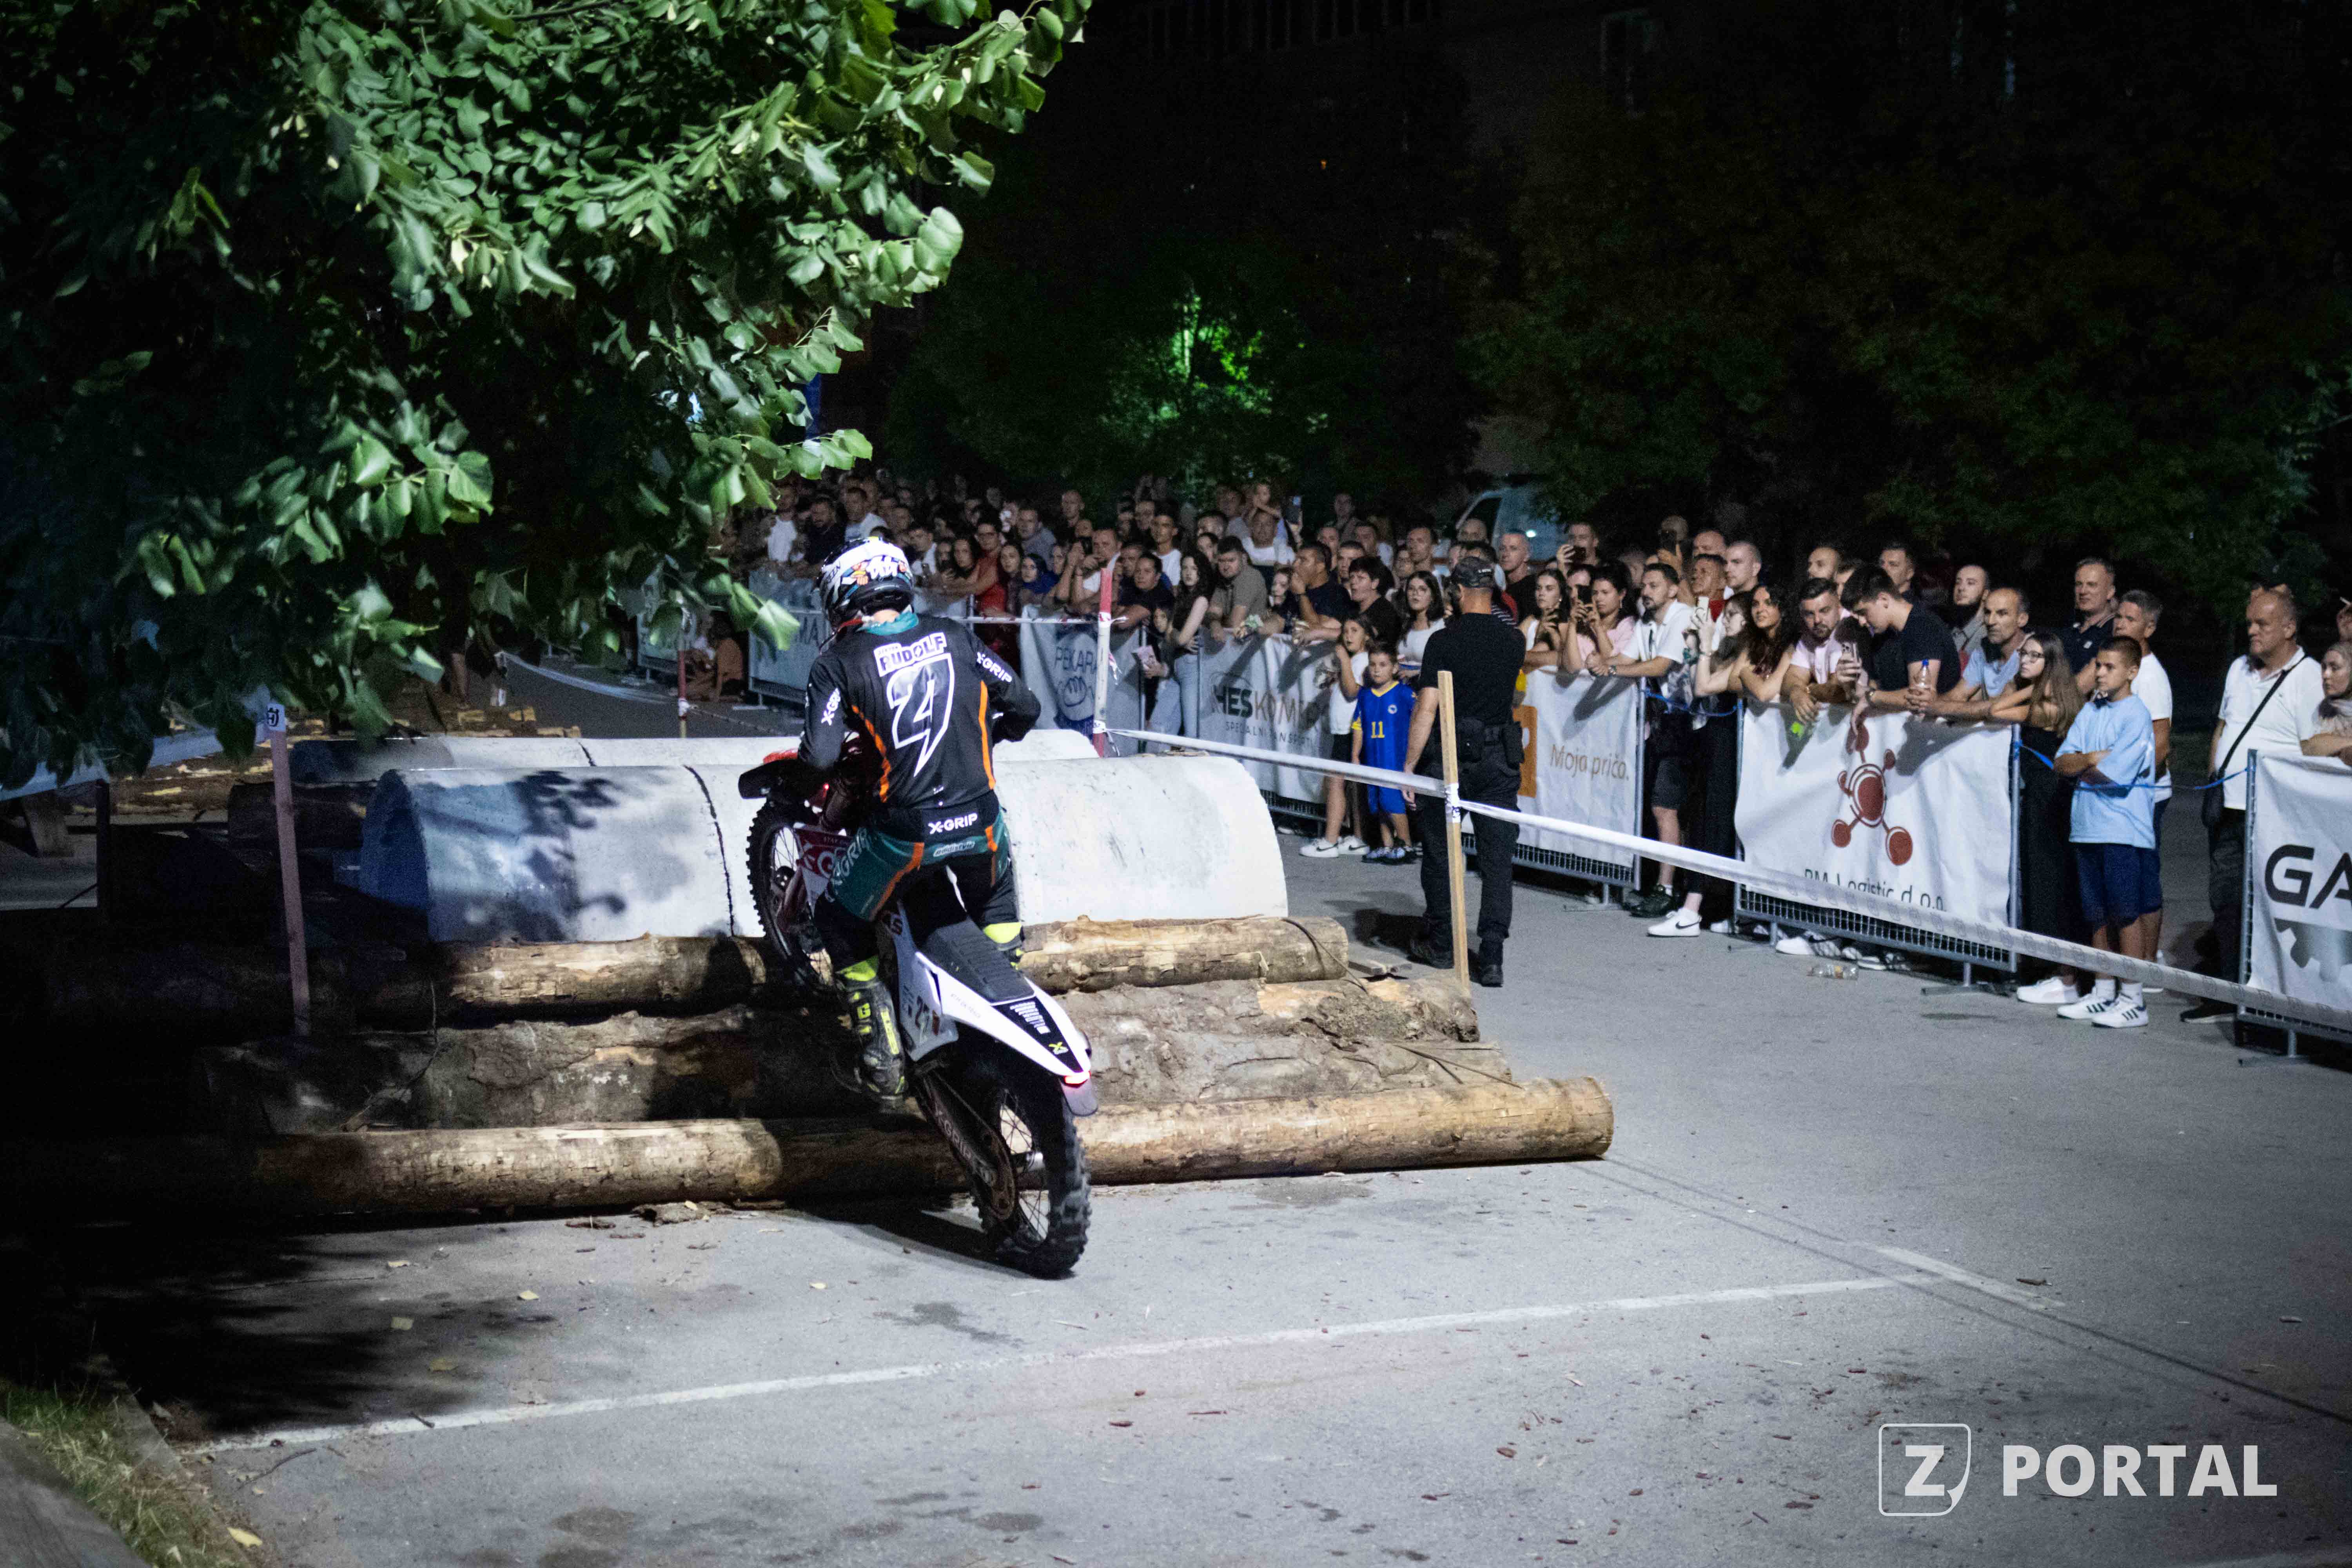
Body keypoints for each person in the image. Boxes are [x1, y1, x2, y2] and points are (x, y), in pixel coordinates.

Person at [795, 539, 1041, 1097]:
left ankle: (879, 1048)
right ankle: (1008, 997)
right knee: (997, 900)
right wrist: (992, 738)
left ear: (841, 598)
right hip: (981, 823)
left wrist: (808, 775)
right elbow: (1025, 706)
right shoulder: (956, 635)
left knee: (837, 918)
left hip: (905, 835)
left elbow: (820, 757)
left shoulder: (837, 663)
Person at [2185, 589, 2323, 1018]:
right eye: (2249, 623)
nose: (2252, 631)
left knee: (2266, 907)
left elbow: (2314, 749)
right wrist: (2215, 773)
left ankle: (2265, 997)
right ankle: (2228, 992)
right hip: (2227, 806)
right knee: (2226, 900)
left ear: (2289, 628)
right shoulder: (2238, 670)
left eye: (2262, 624)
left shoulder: (2309, 678)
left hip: (2273, 816)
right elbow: (2223, 726)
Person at [1400, 568, 1524, 987]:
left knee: (1440, 854)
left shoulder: (1443, 640)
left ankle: (1441, 944)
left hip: (1450, 757)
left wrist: (1409, 767)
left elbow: (1427, 707)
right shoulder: (1514, 640)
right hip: (1499, 758)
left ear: (1457, 591)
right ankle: (1492, 955)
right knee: (1497, 860)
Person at [2051, 637, 2160, 1029]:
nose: (2099, 673)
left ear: (2132, 671)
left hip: (2122, 831)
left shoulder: (2137, 715)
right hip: (2087, 827)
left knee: (2125, 914)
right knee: (2096, 915)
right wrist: (2091, 758)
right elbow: (2061, 762)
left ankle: (2133, 998)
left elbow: (2113, 775)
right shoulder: (2091, 710)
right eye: (2098, 665)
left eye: (2109, 667)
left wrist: (2085, 763)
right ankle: (2102, 990)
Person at [1994, 632, 2092, 1005]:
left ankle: (2064, 976)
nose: (2024, 660)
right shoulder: (2047, 697)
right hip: (2042, 798)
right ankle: (2051, 968)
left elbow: (1996, 711)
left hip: (2052, 800)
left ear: (2051, 663)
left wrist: (2027, 690)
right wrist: (2029, 686)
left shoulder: (2049, 707)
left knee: (2051, 884)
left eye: (2035, 656)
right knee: (2040, 881)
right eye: (2024, 654)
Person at [1608, 561, 1701, 920]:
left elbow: (1660, 666)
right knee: (1661, 808)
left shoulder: (1683, 617)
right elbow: (1624, 658)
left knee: (1667, 808)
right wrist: (1599, 662)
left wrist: (1612, 668)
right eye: (1644, 586)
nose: (1645, 592)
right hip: (1665, 725)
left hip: (1691, 724)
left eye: (1654, 585)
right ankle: (1662, 884)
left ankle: (1667, 888)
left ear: (1674, 589)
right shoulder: (1646, 622)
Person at [2111, 590, 2172, 969]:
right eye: (2118, 617)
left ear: (2149, 628)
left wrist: (2124, 780)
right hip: (2119, 792)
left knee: (2144, 879)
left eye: (2130, 619)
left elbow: (2160, 745)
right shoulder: (2119, 667)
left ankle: (2150, 961)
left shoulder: (2151, 677)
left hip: (2144, 796)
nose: (2119, 624)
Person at [1301, 617, 1372, 859]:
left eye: (1355, 631)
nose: (1348, 635)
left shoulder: (1363, 660)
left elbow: (1352, 692)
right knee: (1350, 785)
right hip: (1343, 729)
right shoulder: (1355, 660)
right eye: (1346, 631)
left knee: (1336, 782)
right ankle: (1358, 839)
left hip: (1350, 730)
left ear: (1367, 636)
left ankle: (1330, 841)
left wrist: (1343, 659)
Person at [1352, 643, 1417, 864]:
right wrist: (1355, 755)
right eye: (1373, 665)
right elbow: (1358, 726)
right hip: (1373, 757)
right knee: (1378, 801)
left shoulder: (1404, 694)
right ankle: (1387, 845)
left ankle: (1406, 844)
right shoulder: (1365, 696)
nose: (1377, 670)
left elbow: (1419, 721)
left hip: (1394, 757)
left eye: (1383, 665)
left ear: (1395, 668)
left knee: (1392, 800)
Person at [1857, 573, 1961, 710]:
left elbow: (1919, 698)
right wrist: (1848, 684)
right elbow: (1874, 687)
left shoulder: (1924, 628)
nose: (1862, 621)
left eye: (1864, 613)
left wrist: (1872, 697)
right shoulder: (1883, 636)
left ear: (1884, 600)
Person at [1557, 561, 1637, 675]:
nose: (1599, 598)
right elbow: (1572, 669)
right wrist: (1572, 625)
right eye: (1595, 593)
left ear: (1622, 594)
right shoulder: (1585, 625)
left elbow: (1615, 664)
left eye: (1605, 593)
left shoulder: (1629, 626)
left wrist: (1599, 628)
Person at [2062, 557, 2119, 690]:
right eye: (2079, 584)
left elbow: (2081, 688)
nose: (2083, 591)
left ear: (2110, 592)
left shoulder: (2113, 633)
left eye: (2092, 585)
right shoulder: (2071, 628)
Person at [2305, 641, 2352, 765]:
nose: (2326, 675)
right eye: (2324, 668)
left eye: (2334, 668)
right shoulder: (2321, 710)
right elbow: (2308, 748)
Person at [1517, 568, 1570, 673]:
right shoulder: (1531, 620)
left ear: (1561, 596)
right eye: (1538, 588)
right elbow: (1513, 646)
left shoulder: (1564, 623)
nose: (1542, 593)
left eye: (1549, 589)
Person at [1398, 571, 1447, 674]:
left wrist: (1417, 673)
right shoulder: (1405, 625)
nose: (1415, 593)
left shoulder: (1442, 625)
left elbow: (1445, 665)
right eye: (1411, 589)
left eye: (1422, 589)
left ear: (1433, 596)